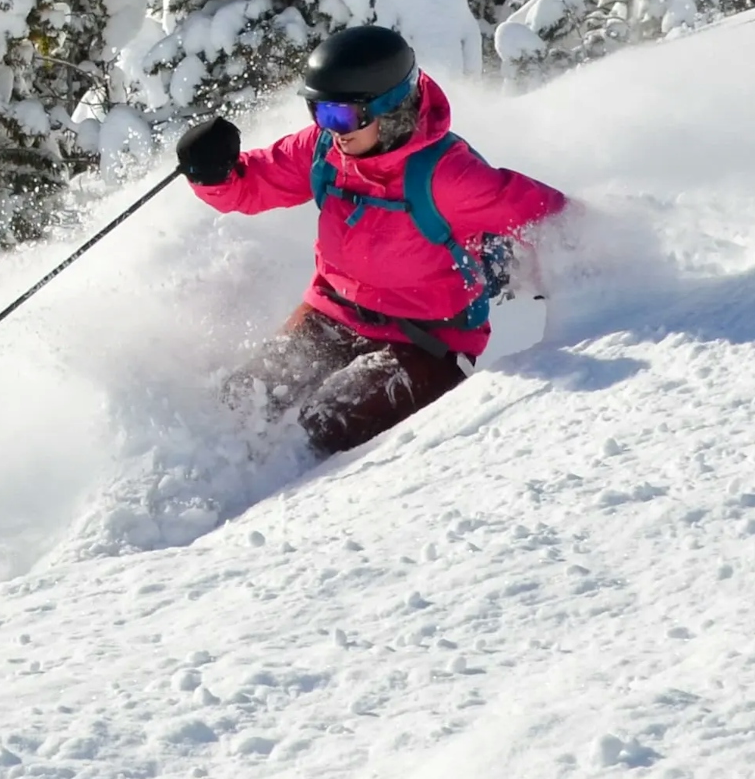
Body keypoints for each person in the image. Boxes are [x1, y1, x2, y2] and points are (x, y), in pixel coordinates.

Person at [173, 24, 564, 459]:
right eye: (319, 112)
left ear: (391, 108)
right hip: (333, 312)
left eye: (342, 115)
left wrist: (598, 276)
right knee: (245, 401)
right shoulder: (325, 150)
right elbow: (252, 185)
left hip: (424, 342)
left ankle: (285, 506)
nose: (331, 128)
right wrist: (212, 172)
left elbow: (550, 217)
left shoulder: (450, 176)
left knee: (323, 425)